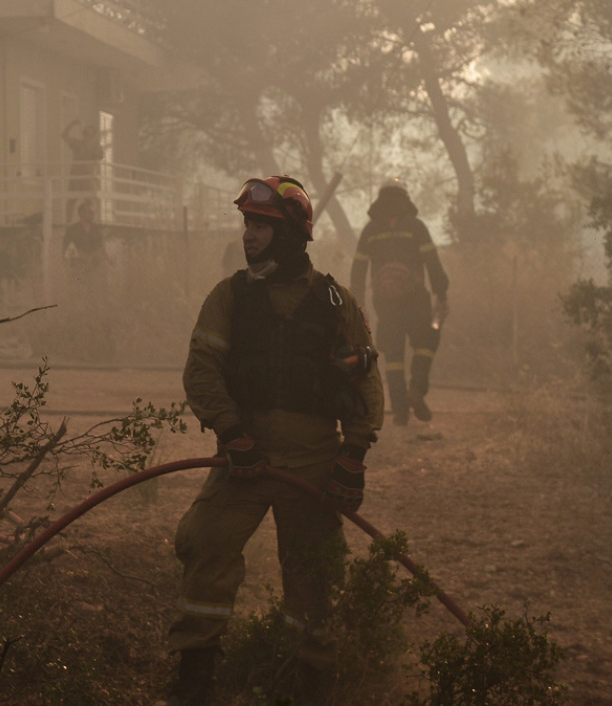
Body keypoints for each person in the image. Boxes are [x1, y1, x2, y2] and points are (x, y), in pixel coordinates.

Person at [168, 175, 385, 705]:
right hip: (245, 457)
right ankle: (195, 684)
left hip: (313, 461)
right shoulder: (230, 297)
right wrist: (232, 433)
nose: (249, 236)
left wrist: (353, 455)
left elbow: (365, 379)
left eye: (261, 226)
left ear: (291, 234)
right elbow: (201, 373)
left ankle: (308, 686)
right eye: (247, 224)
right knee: (205, 545)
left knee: (313, 572)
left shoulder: (334, 298)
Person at [350, 178, 449, 426]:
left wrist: (358, 303)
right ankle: (416, 390)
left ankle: (401, 411)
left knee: (393, 355)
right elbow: (433, 263)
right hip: (416, 299)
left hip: (385, 302)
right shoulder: (416, 227)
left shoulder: (370, 231)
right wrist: (441, 291)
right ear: (405, 198)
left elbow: (358, 270)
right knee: (426, 342)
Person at [61, 118, 104, 222]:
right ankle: (68, 223)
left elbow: (100, 156)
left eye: (91, 132)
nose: (88, 134)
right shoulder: (77, 143)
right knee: (71, 199)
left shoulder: (96, 146)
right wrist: (72, 123)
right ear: (84, 133)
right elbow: (64, 135)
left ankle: (92, 222)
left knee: (90, 200)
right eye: (86, 131)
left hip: (87, 177)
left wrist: (94, 151)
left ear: (93, 134)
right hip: (76, 175)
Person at [61, 199, 105, 273]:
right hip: (77, 267)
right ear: (81, 213)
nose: (92, 214)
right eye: (89, 211)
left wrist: (91, 258)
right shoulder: (72, 229)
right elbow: (66, 248)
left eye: (93, 212)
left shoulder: (96, 229)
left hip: (94, 267)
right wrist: (79, 259)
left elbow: (101, 246)